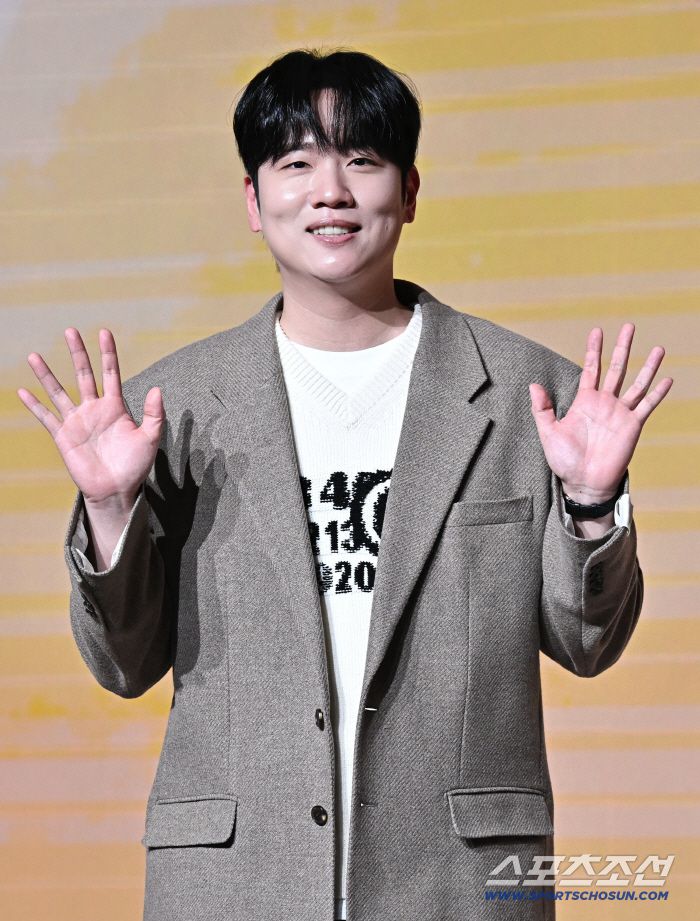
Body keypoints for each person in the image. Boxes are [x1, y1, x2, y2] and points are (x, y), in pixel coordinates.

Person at [17, 48, 672, 921]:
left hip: (455, 886)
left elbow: (588, 642)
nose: (329, 191)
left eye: (361, 159)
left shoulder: (533, 396)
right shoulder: (170, 411)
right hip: (233, 886)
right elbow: (123, 664)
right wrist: (109, 506)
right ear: (253, 201)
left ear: (410, 190)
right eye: (296, 163)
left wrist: (589, 504)